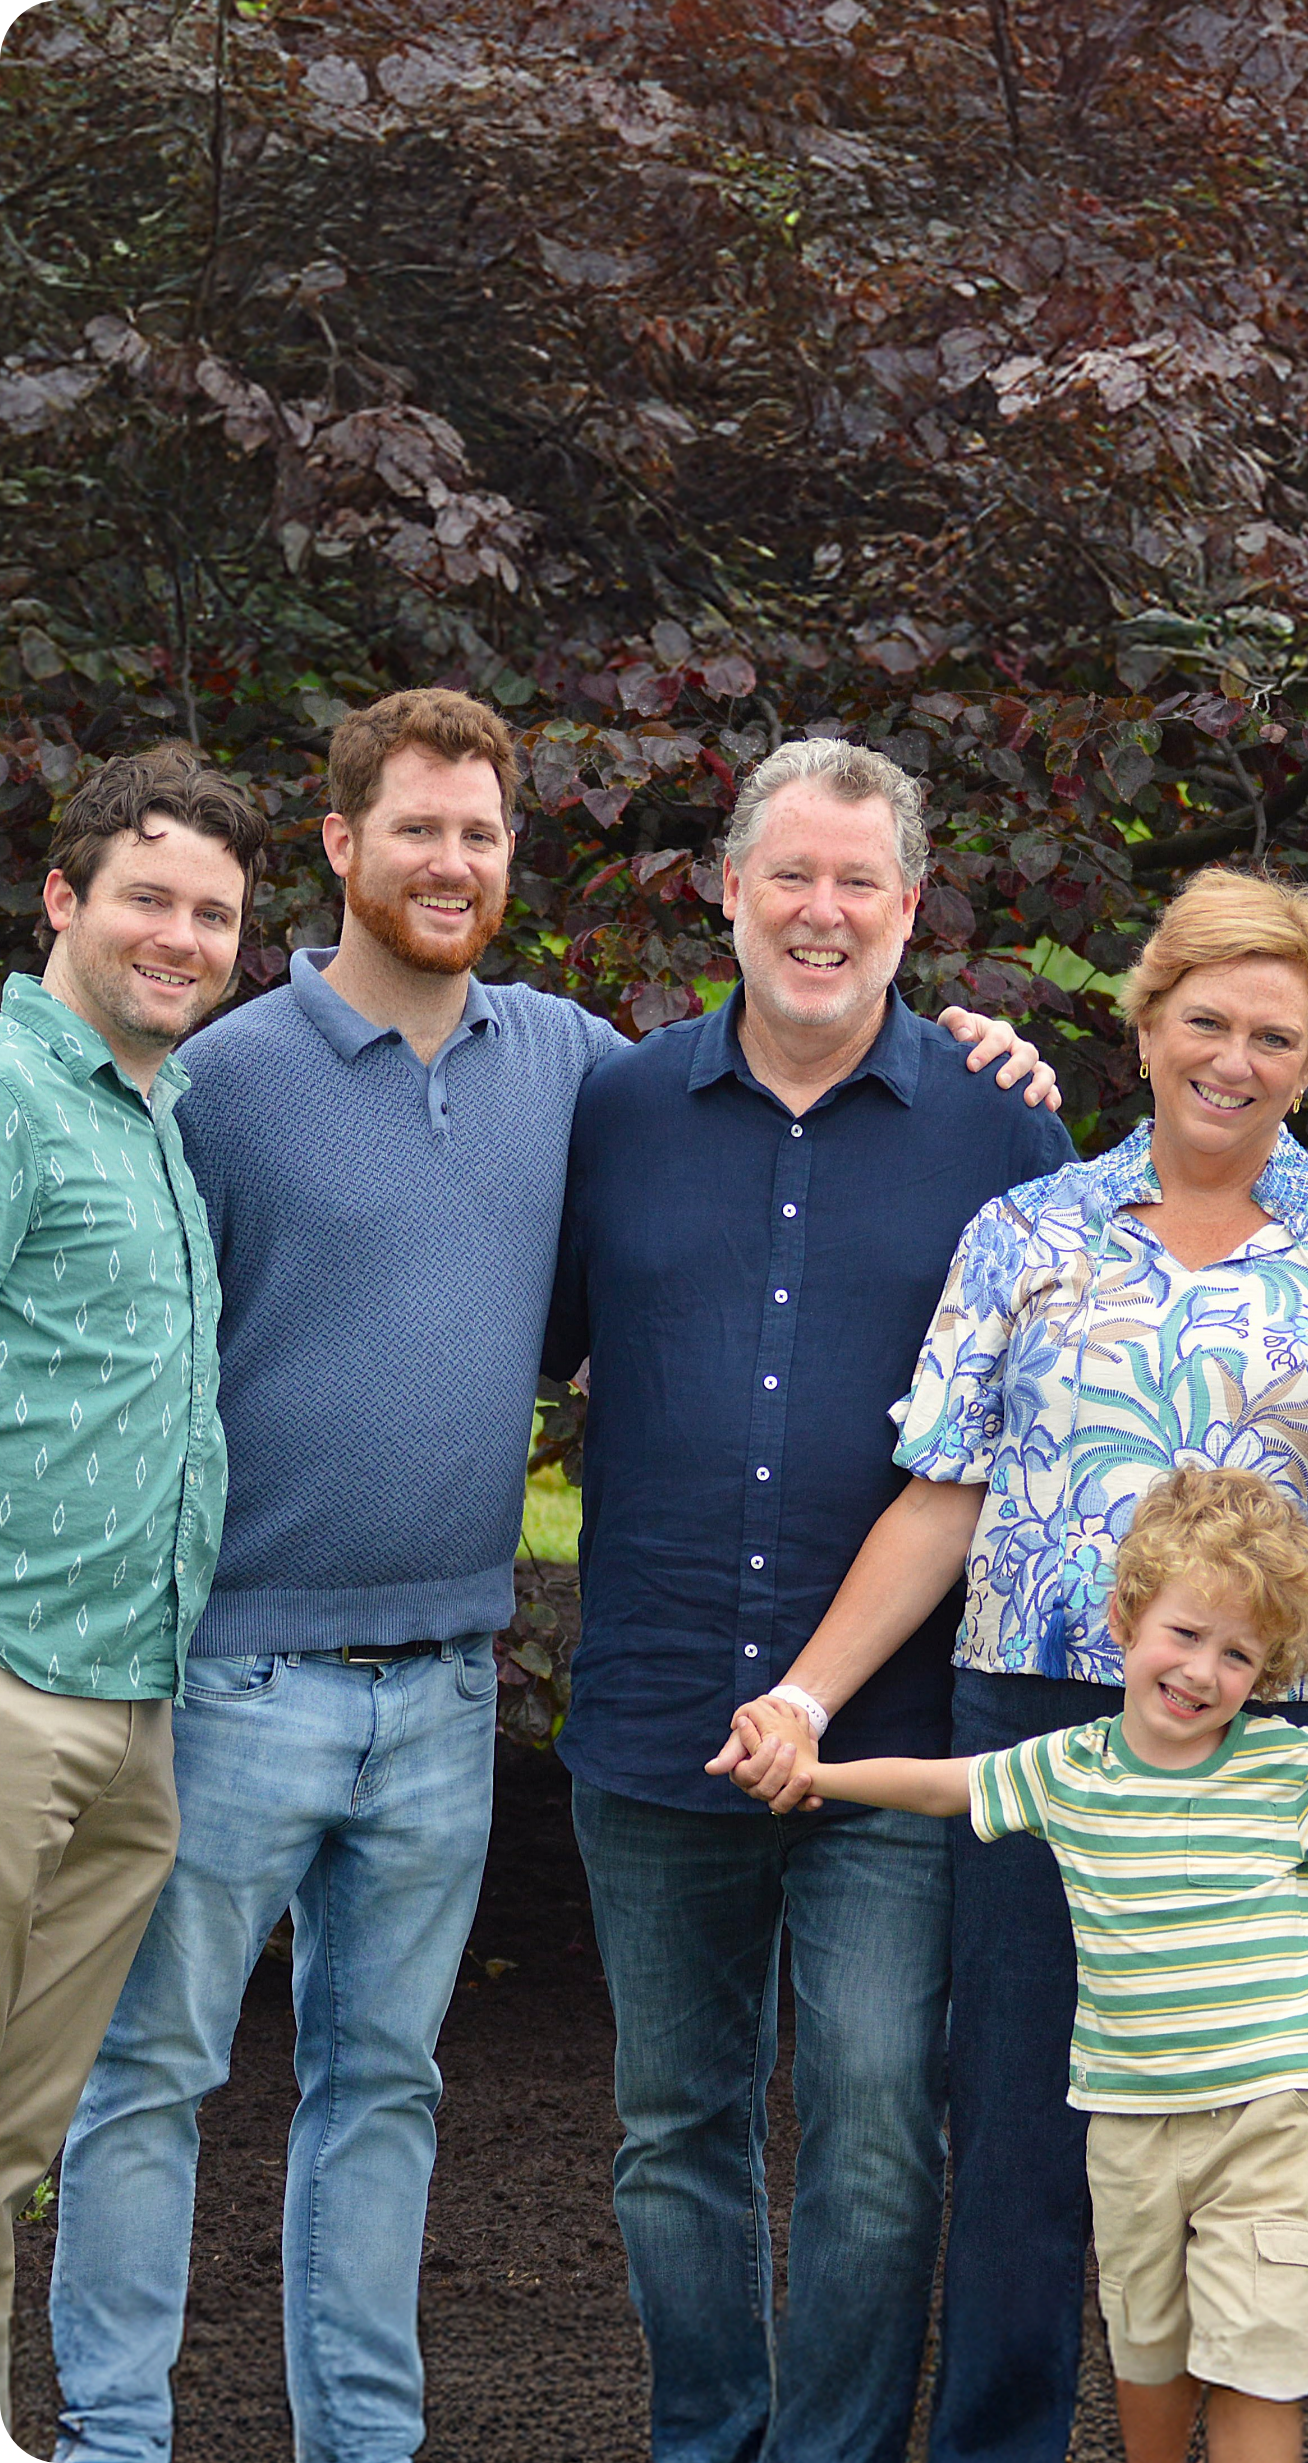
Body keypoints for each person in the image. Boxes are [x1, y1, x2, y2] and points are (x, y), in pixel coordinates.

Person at [49, 701, 1050, 2463]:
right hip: (388, 1683)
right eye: (418, 829)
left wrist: (1009, 1052)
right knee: (212, 2085)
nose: (452, 862)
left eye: (482, 834)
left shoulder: (714, 1094)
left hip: (655, 1703)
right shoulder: (371, 1078)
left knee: (468, 2096)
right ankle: (136, 2432)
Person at [719, 864, 1308, 2463]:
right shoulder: (1028, 1230)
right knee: (1017, 2125)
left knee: (1244, 2126)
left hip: (1272, 1740)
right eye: (1208, 1018)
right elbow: (946, 1493)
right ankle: (1001, 2438)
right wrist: (808, 1690)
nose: (1238, 1057)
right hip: (1044, 1713)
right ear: (1146, 1026)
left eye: (1277, 1032)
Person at [542, 735, 1076, 2463]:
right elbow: (524, 1344)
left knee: (868, 2122)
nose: (822, 910)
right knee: (669, 2123)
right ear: (727, 889)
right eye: (791, 873)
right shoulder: (615, 1108)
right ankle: (710, 2435)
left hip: (893, 1739)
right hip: (654, 1701)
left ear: (912, 909)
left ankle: (835, 2451)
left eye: (860, 880)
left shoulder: (1004, 1130)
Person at [734, 1464, 1308, 2463]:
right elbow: (937, 1785)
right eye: (1185, 1636)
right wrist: (815, 1771)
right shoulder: (1067, 1768)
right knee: (1149, 2365)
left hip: (1270, 2120)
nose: (1201, 1673)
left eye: (1238, 1655)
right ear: (1128, 1620)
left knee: (1260, 2363)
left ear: (1267, 1670)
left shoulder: (1284, 1768)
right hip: (1131, 2126)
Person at [0, 743, 262, 2443]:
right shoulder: (13, 1091)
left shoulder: (151, 1105)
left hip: (129, 1697)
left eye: (216, 913)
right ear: (63, 898)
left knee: (15, 2139)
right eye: (150, 897)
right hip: (13, 1678)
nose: (183, 935)